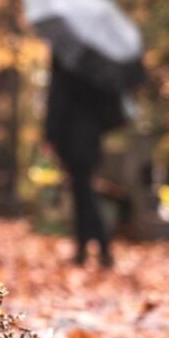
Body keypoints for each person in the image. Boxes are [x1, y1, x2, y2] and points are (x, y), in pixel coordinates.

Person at [45, 52, 117, 267]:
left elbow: (57, 98)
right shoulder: (98, 59)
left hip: (73, 137)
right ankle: (92, 248)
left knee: (83, 193)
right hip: (92, 137)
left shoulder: (66, 57)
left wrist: (50, 134)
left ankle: (93, 247)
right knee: (84, 191)